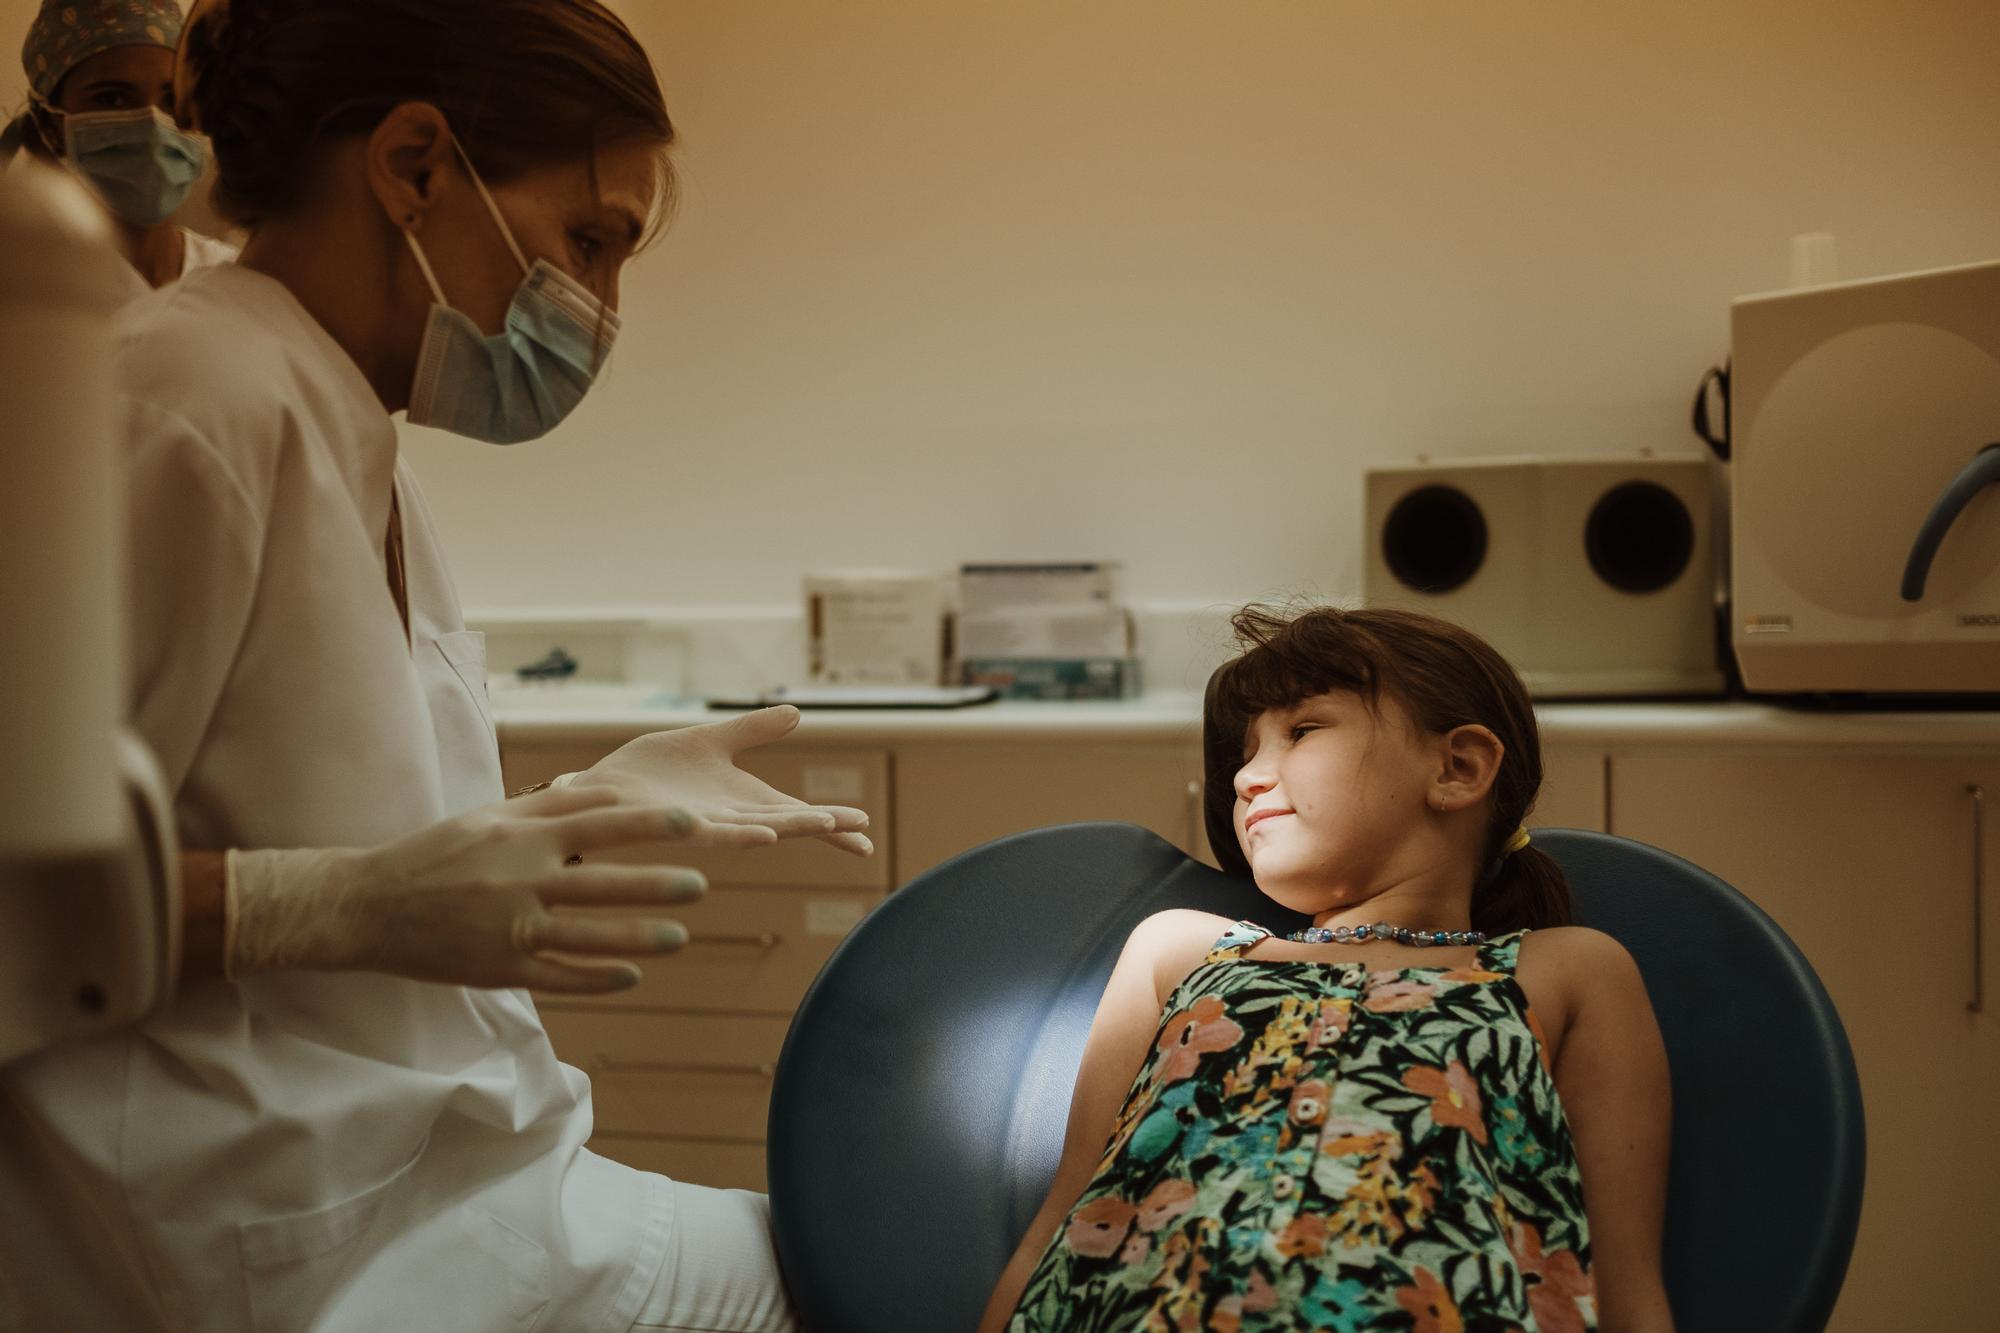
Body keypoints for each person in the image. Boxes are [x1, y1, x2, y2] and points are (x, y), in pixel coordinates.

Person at [0, 1, 870, 1329]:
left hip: (461, 1201)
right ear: (412, 166)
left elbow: (318, 829)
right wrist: (341, 906)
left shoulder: (341, 420)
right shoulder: (193, 399)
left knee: (892, 1242)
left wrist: (587, 800)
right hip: (297, 1260)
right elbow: (30, 901)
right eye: (589, 242)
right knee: (902, 1266)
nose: (601, 311)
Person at [978, 605, 1676, 1332]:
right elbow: (1065, 1224)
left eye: (1302, 729)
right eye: (1246, 749)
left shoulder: (1565, 972)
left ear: (1457, 767)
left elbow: (1622, 1287)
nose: (1247, 774)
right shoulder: (1179, 950)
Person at [1, 0, 236, 296]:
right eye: (112, 99)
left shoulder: (238, 280)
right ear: (51, 124)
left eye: (170, 100)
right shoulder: (32, 293)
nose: (154, 124)